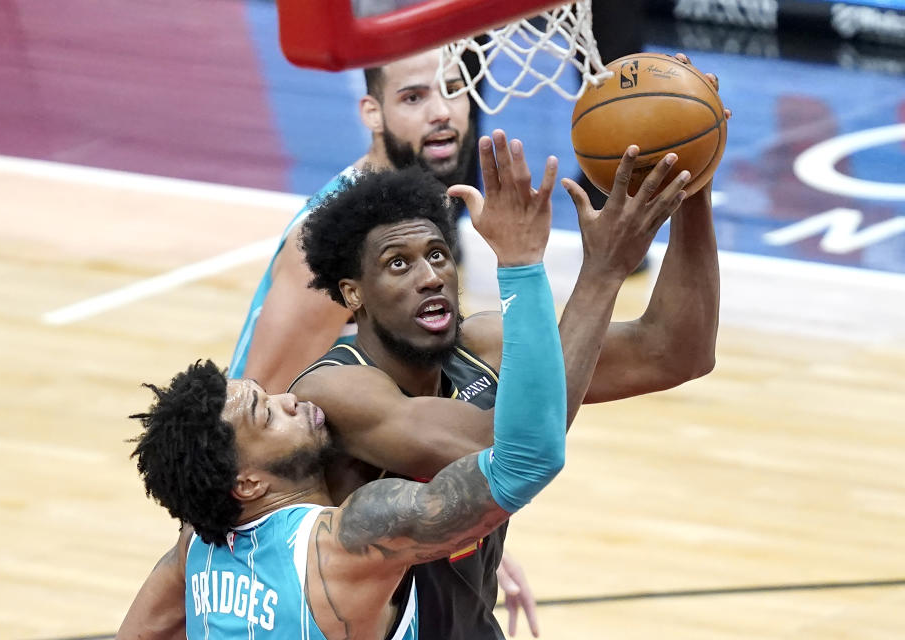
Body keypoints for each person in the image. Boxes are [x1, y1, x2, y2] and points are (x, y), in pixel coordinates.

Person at [116, 143, 570, 639]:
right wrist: (521, 264)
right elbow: (526, 460)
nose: (290, 397)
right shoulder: (352, 538)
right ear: (245, 484)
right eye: (268, 414)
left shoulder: (197, 550)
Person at [286, 122, 707, 640]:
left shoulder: (482, 343)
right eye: (399, 264)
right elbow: (508, 450)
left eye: (437, 254)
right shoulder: (333, 391)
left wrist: (695, 179)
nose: (430, 276)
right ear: (354, 294)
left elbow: (674, 352)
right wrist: (598, 274)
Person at [229, 48, 474, 393]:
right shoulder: (334, 238)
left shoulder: (419, 204)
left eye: (453, 89)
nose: (442, 112)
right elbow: (264, 401)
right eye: (414, 97)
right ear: (373, 114)